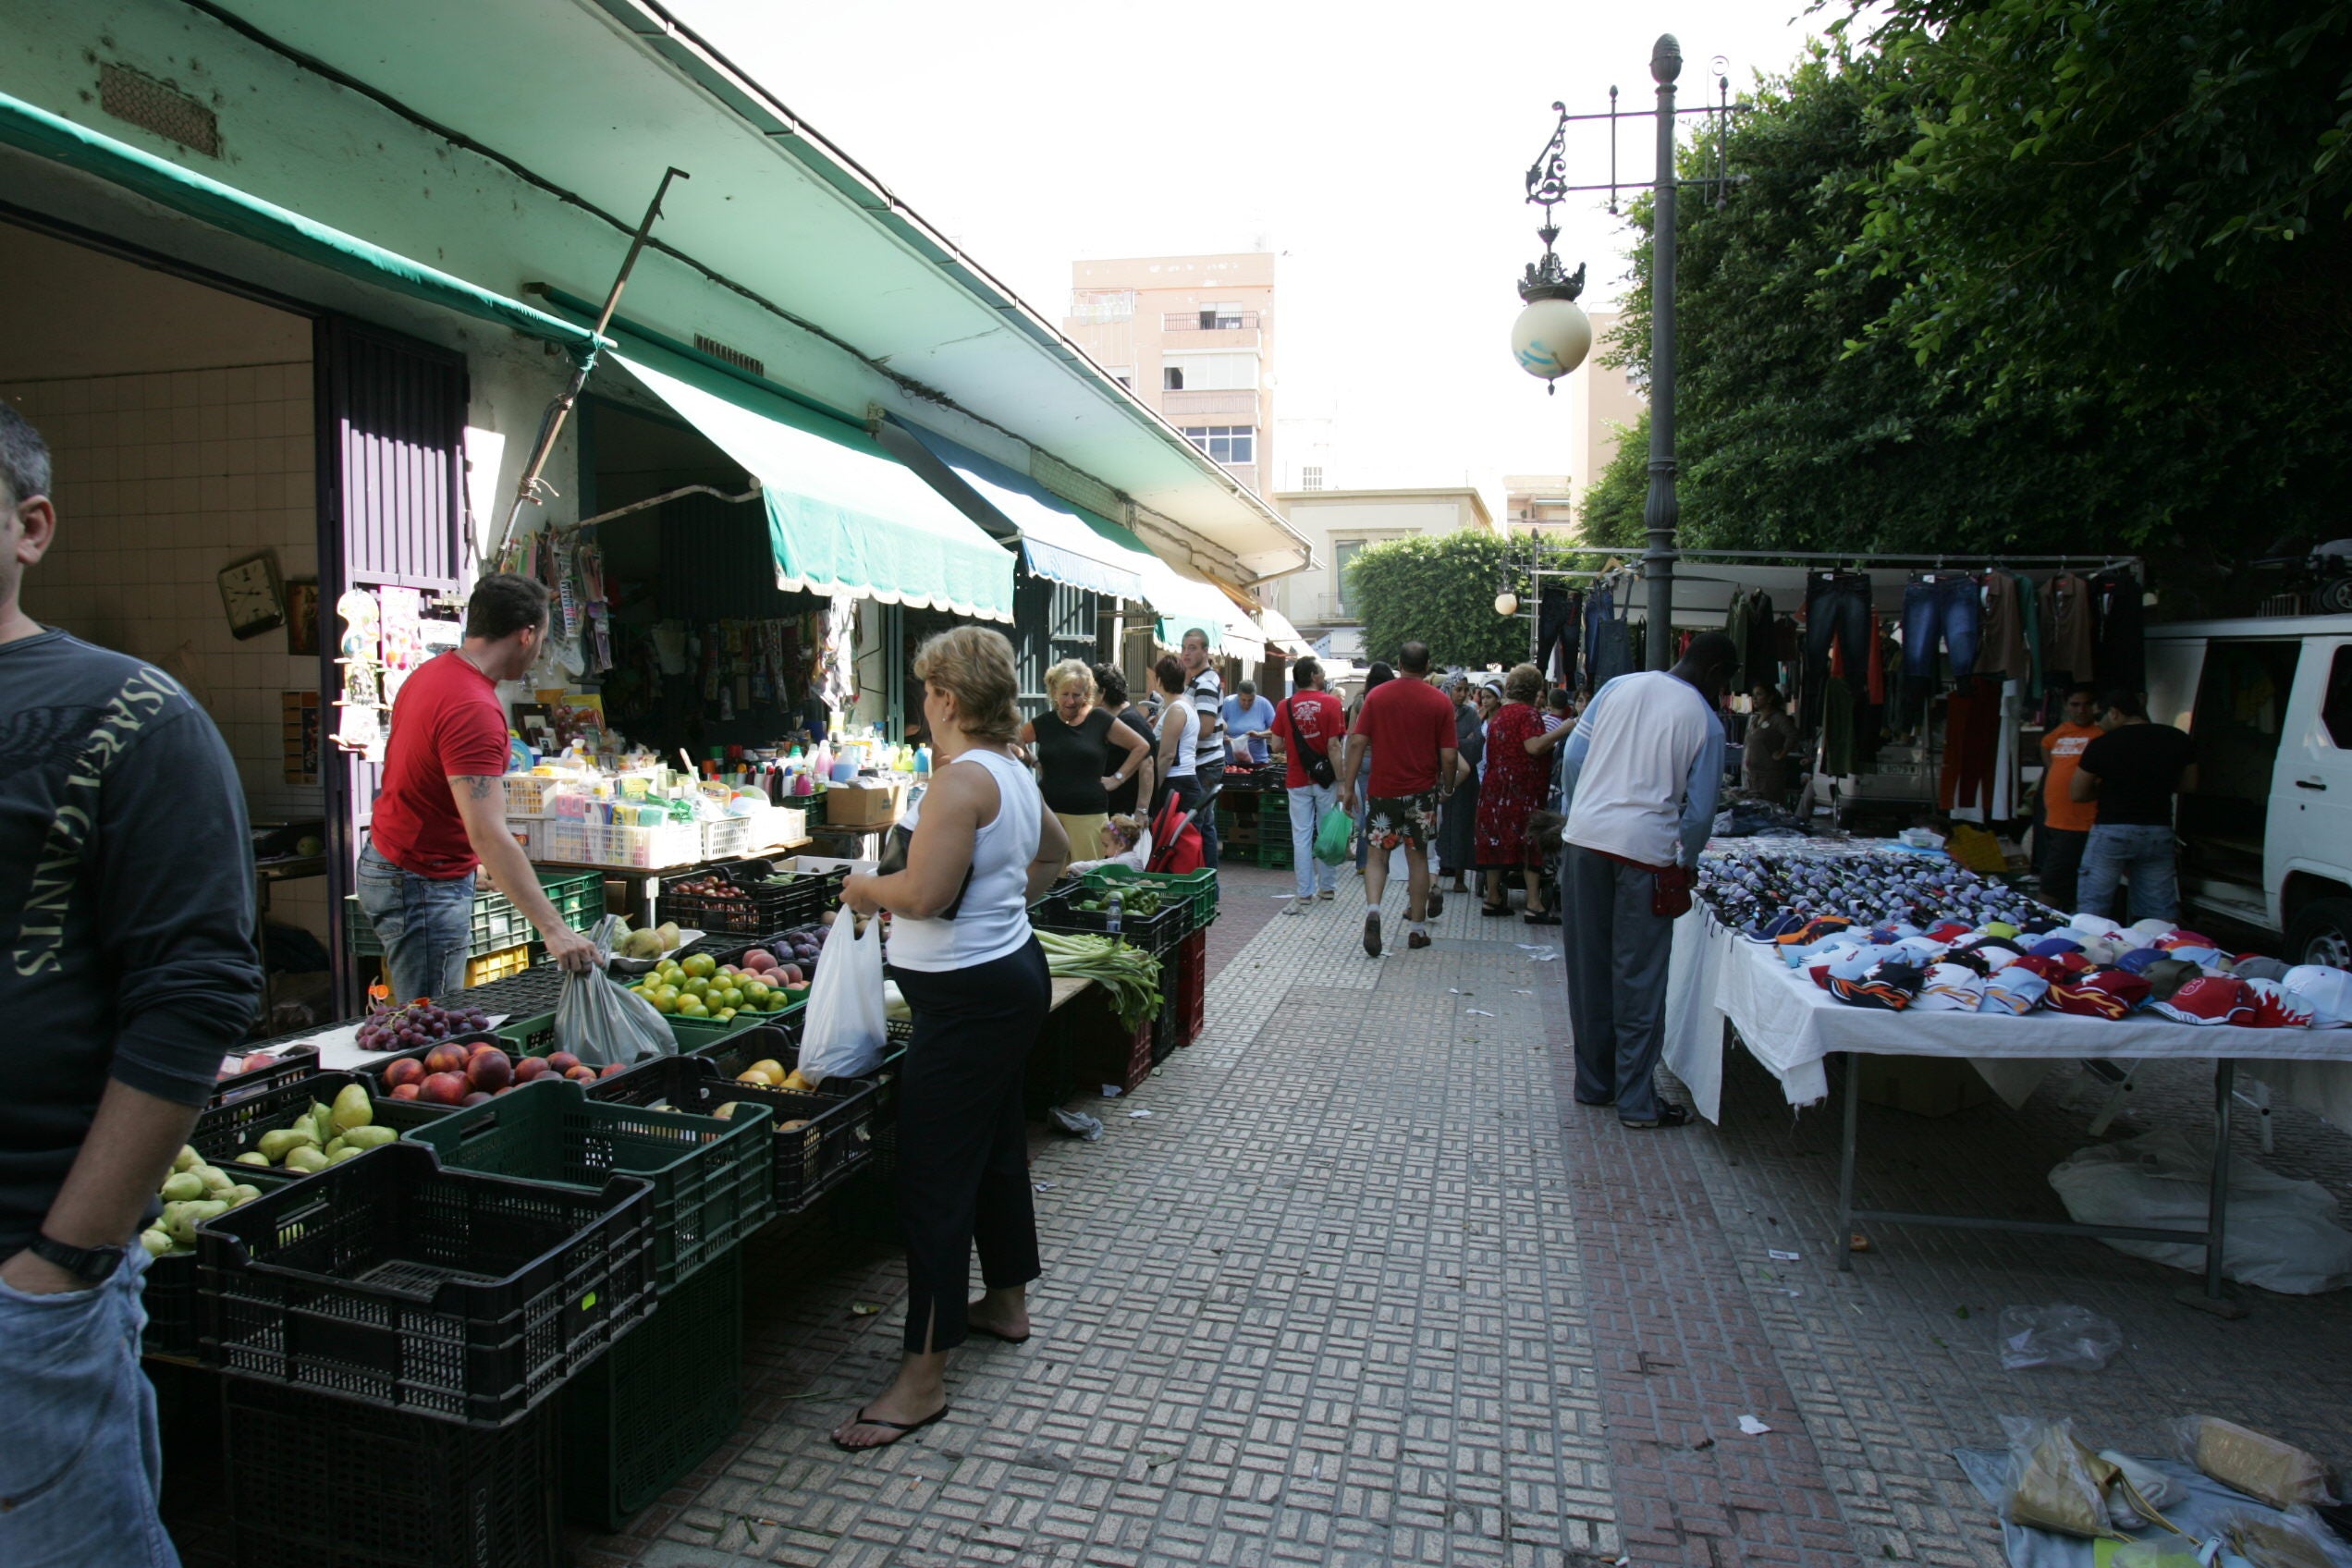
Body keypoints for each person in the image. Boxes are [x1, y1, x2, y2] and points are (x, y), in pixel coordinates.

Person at [0, 403, 263, 1566]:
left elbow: (196, 994)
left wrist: (58, 1267)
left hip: (23, 1289)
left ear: (32, 526)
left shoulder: (133, 717)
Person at [834, 627, 1071, 1452]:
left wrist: (865, 887)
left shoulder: (958, 782)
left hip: (969, 1006)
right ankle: (1005, 1303)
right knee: (998, 1144)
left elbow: (925, 895)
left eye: (926, 689)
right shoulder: (1009, 769)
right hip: (1008, 979)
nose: (922, 702)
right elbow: (1059, 850)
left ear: (945, 696)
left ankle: (922, 1379)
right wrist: (1001, 907)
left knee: (934, 1179)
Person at [359, 573, 599, 1003]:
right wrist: (554, 929)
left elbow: (425, 782)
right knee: (427, 1031)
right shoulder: (474, 708)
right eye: (542, 637)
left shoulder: (432, 673)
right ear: (527, 635)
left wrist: (471, 863)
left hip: (395, 858)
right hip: (420, 878)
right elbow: (487, 832)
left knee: (423, 1019)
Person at [1560, 632, 1734, 1130]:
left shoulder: (1618, 687)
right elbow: (1700, 813)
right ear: (1717, 672)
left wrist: (1584, 810)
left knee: (1588, 969)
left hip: (1584, 842)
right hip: (1646, 855)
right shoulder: (1706, 722)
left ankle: (1594, 1085)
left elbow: (1573, 757)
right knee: (1638, 976)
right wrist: (1689, 857)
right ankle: (1637, 1102)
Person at [1338, 641, 1457, 955]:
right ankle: (1417, 930)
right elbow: (1449, 754)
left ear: (1399, 664)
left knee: (1378, 855)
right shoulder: (1440, 701)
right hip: (1421, 792)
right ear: (1428, 665)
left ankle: (1374, 911)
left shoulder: (1377, 697)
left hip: (1383, 790)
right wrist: (1447, 786)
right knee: (1417, 857)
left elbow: (1357, 742)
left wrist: (1348, 787)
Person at [2070, 689, 2197, 923]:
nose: (2097, 723)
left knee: (2093, 907)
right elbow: (2189, 784)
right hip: (2158, 830)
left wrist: (2107, 788)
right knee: (2159, 908)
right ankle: (2160, 952)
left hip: (2112, 829)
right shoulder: (2177, 738)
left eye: (2099, 717)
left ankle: (2093, 951)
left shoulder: (2102, 744)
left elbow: (2077, 793)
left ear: (2115, 713)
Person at [1019, 660, 1149, 864]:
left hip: (1088, 815)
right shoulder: (1044, 722)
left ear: (1087, 693)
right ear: (1054, 692)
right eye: (1064, 694)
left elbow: (1141, 746)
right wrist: (1033, 760)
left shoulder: (1099, 719)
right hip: (1048, 813)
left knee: (1086, 878)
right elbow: (1013, 740)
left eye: (1076, 695)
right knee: (1050, 882)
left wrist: (1118, 778)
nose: (1070, 701)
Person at [1476, 663, 1574, 923]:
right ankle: (1534, 904)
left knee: (1496, 839)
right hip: (1522, 790)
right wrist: (1564, 728)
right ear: (1535, 690)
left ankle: (1493, 898)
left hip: (1495, 788)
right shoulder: (1528, 715)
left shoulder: (1500, 715)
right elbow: (1533, 747)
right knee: (1531, 840)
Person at [1269, 656, 1347, 913]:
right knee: (1327, 832)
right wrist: (1342, 780)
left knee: (1301, 836)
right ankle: (1327, 887)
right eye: (1321, 671)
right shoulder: (1332, 703)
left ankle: (1304, 892)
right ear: (1314, 676)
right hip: (1326, 779)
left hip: (1297, 778)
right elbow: (1334, 746)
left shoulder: (1285, 705)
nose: (1324, 675)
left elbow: (1276, 745)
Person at [2036, 683, 2102, 913]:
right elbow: (2045, 744)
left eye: (2086, 705)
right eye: (2075, 705)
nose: (2081, 710)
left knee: (2053, 883)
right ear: (2066, 707)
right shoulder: (2061, 731)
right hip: (2054, 819)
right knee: (2057, 878)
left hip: (2080, 822)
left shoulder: (2101, 734)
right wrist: (2053, 769)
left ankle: (2039, 925)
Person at [1179, 629, 1227, 867]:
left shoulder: (1206, 682)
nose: (1186, 653)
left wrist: (1175, 732)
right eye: (1184, 647)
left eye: (1193, 648)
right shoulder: (1198, 681)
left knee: (1199, 823)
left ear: (1205, 651)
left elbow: (1205, 727)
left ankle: (1205, 883)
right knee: (1204, 823)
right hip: (1206, 762)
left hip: (1205, 764)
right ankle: (1208, 887)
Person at [1436, 677, 1483, 896]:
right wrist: (1462, 740)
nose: (1462, 694)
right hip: (1439, 776)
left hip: (1466, 782)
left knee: (1463, 825)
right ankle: (1433, 875)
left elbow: (1477, 744)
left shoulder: (1471, 714)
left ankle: (1460, 877)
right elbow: (1435, 742)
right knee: (1438, 825)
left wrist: (1454, 742)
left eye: (1466, 690)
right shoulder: (1439, 712)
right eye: (1458, 689)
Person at [1091, 663, 1157, 818]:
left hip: (1129, 815)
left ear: (1102, 693)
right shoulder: (1119, 719)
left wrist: (1141, 810)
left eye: (1090, 690)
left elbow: (1147, 764)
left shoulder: (1130, 721)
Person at [1349, 662, 1395, 876]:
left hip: (1363, 761)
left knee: (1365, 813)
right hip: (1385, 760)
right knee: (1384, 811)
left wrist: (1348, 767)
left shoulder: (1360, 701)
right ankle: (1383, 861)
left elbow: (1352, 736)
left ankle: (1363, 863)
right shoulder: (1392, 701)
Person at [1148, 654, 1203, 826]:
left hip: (1176, 783)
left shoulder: (1176, 710)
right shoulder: (1182, 705)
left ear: (1160, 680)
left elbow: (1167, 755)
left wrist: (1151, 789)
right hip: (1181, 782)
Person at [1742, 686, 1796, 802]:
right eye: (1754, 695)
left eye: (1759, 694)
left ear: (1770, 698)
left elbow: (1793, 735)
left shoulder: (1778, 718)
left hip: (1769, 778)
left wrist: (1782, 753)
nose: (1755, 698)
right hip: (1752, 776)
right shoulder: (1756, 719)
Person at [1221, 679, 1276, 767]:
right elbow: (1216, 727)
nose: (1246, 703)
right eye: (1243, 700)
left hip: (1258, 761)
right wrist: (1223, 738)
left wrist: (1259, 734)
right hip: (1231, 763)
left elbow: (1276, 730)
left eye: (1251, 700)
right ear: (1238, 696)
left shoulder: (1264, 704)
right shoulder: (1227, 703)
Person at [1070, 814, 1147, 875]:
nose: (1104, 851)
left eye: (1106, 845)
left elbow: (1097, 866)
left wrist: (1074, 867)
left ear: (1121, 845)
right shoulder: (1132, 859)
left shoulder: (1122, 862)